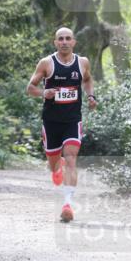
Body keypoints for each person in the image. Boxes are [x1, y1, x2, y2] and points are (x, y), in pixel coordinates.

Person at [26, 27, 97, 222]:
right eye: (60, 39)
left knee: (72, 157)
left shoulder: (82, 63)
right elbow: (30, 87)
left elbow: (88, 80)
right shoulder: (46, 63)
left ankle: (67, 204)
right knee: (54, 165)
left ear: (74, 42)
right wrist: (43, 93)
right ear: (55, 42)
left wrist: (91, 96)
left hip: (73, 120)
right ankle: (57, 170)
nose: (64, 42)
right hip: (51, 122)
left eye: (68, 38)